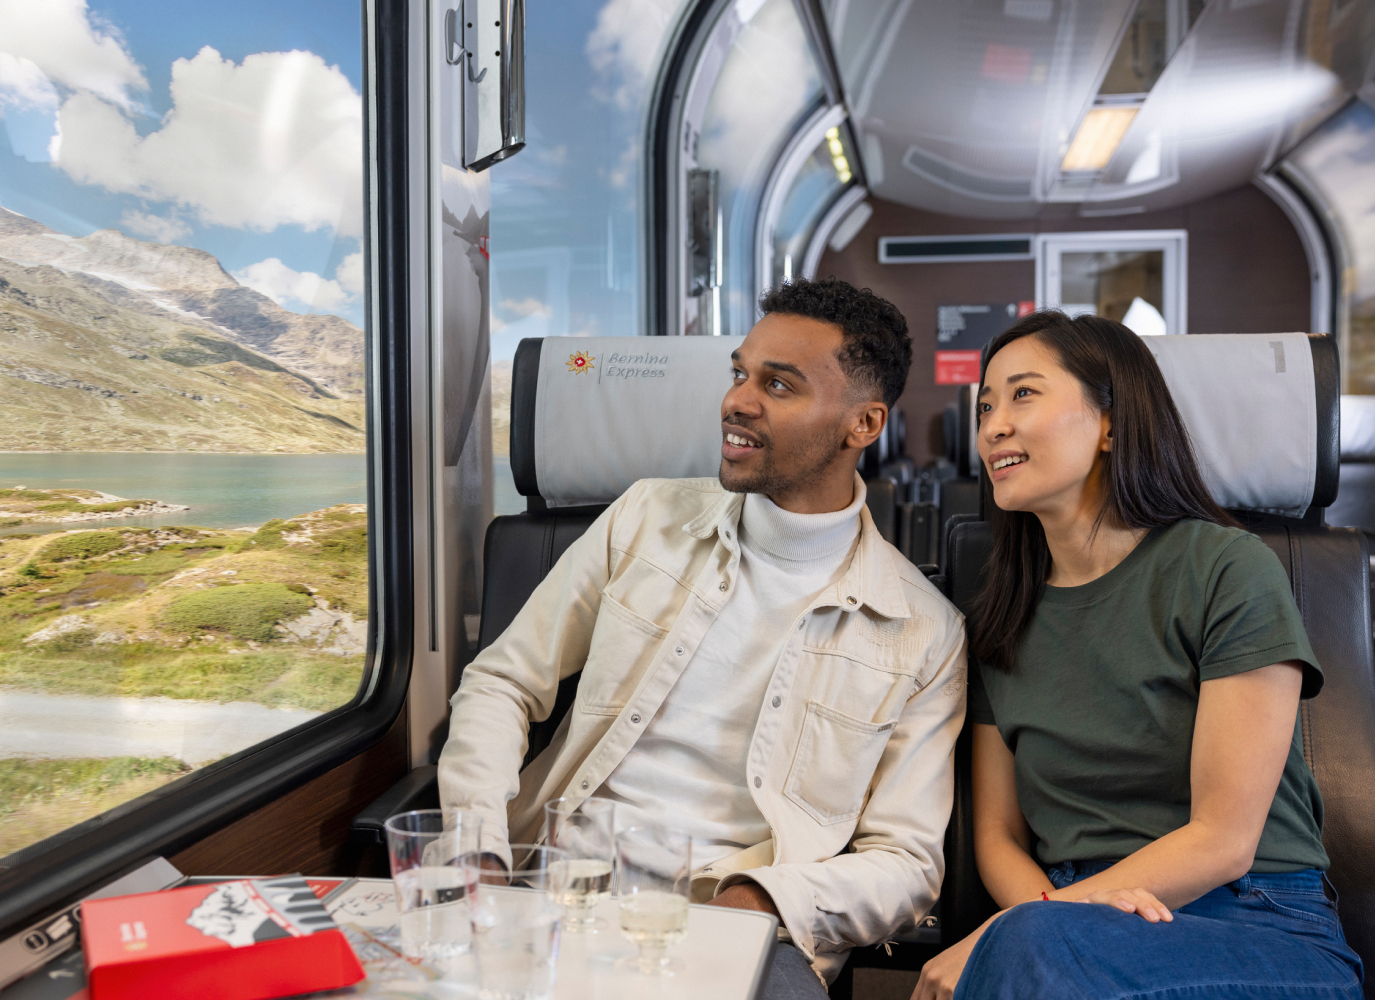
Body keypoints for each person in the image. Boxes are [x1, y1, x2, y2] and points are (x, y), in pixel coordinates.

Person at [439, 277, 965, 995]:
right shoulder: (644, 516)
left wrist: (760, 900)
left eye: (777, 385)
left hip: (752, 923)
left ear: (862, 425)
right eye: (739, 373)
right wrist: (479, 843)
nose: (737, 401)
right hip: (561, 883)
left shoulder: (923, 631)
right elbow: (503, 683)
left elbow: (906, 860)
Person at [912, 312, 1364, 1000]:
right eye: (984, 407)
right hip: (1065, 922)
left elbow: (1222, 838)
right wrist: (1038, 921)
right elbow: (998, 834)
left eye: (1023, 395)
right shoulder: (998, 618)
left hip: (1252, 921)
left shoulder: (1223, 568)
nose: (993, 426)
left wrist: (1027, 931)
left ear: (1110, 424)